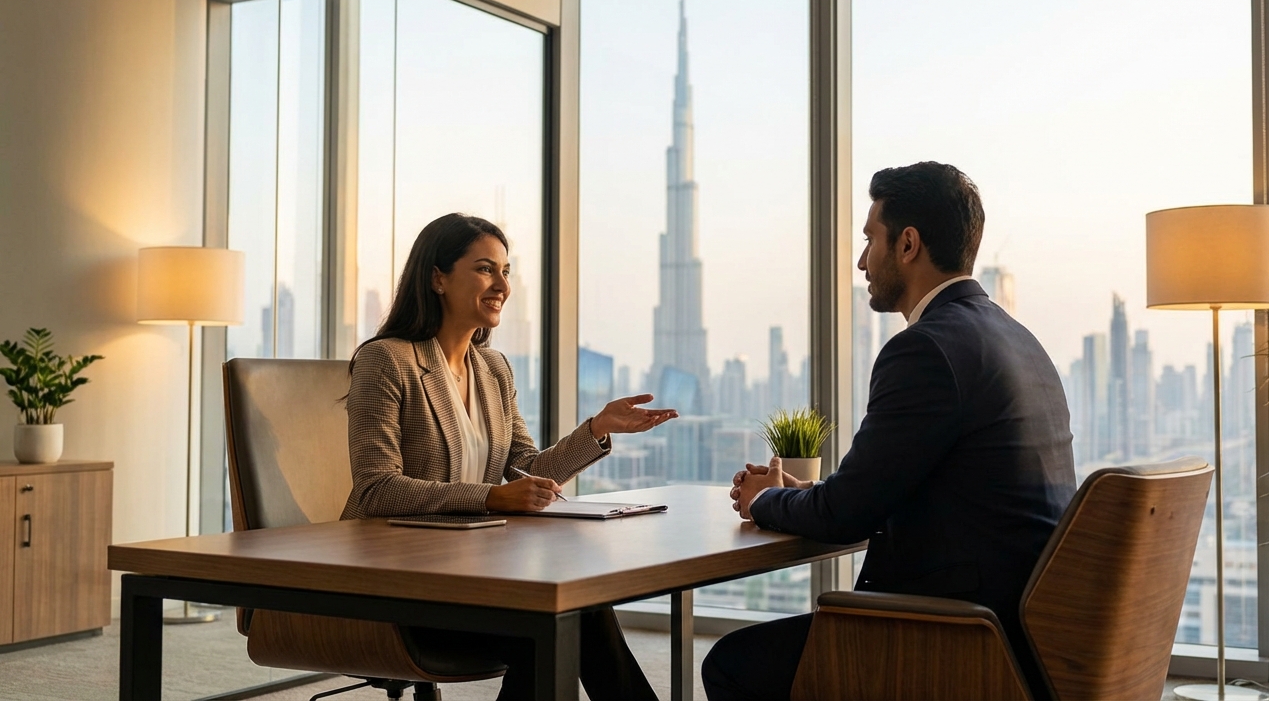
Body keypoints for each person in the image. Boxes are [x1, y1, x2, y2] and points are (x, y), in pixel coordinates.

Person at [704, 162, 1076, 701]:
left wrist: (764, 501)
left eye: (869, 239)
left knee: (733, 664)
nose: (861, 261)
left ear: (907, 244)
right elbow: (919, 489)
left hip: (951, 637)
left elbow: (844, 516)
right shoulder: (1018, 341)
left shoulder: (925, 349)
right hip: (1022, 628)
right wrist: (802, 494)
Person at [342, 212, 677, 701]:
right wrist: (493, 498)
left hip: (475, 577)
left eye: (506, 271)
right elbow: (376, 490)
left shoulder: (494, 370)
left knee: (575, 607)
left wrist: (596, 429)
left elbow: (527, 472)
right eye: (485, 269)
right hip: (398, 586)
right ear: (437, 277)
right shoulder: (387, 360)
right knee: (562, 621)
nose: (502, 284)